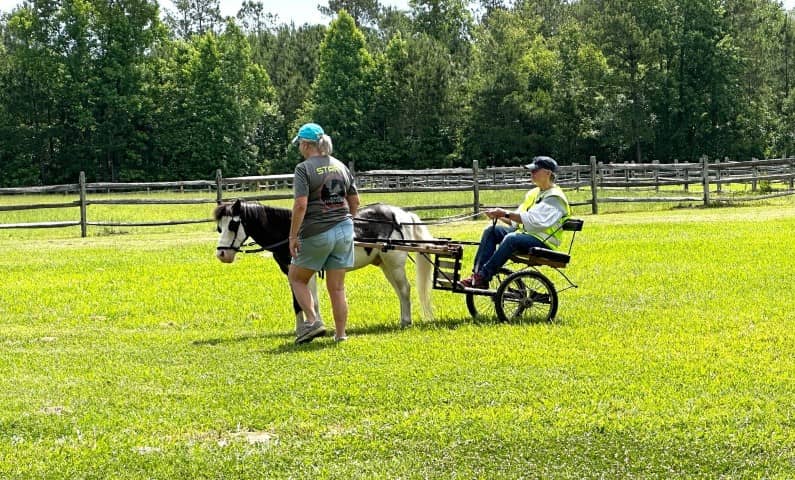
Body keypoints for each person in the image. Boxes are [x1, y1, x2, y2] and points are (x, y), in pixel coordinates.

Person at [288, 123, 360, 344]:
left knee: (296, 278)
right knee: (337, 287)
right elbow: (355, 201)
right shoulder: (340, 166)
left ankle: (313, 320)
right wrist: (348, 221)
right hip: (344, 229)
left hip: (317, 231)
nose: (299, 147)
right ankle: (340, 335)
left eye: (300, 143)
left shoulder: (304, 168)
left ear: (306, 144)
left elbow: (300, 205)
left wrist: (293, 236)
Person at [459, 156, 571, 289]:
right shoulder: (534, 193)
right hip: (527, 235)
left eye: (535, 171)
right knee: (491, 231)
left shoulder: (555, 197)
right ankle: (477, 278)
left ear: (548, 173)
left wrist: (504, 213)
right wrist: (498, 215)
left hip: (544, 241)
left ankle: (484, 275)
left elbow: (535, 222)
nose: (531, 173)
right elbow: (515, 221)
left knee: (511, 238)